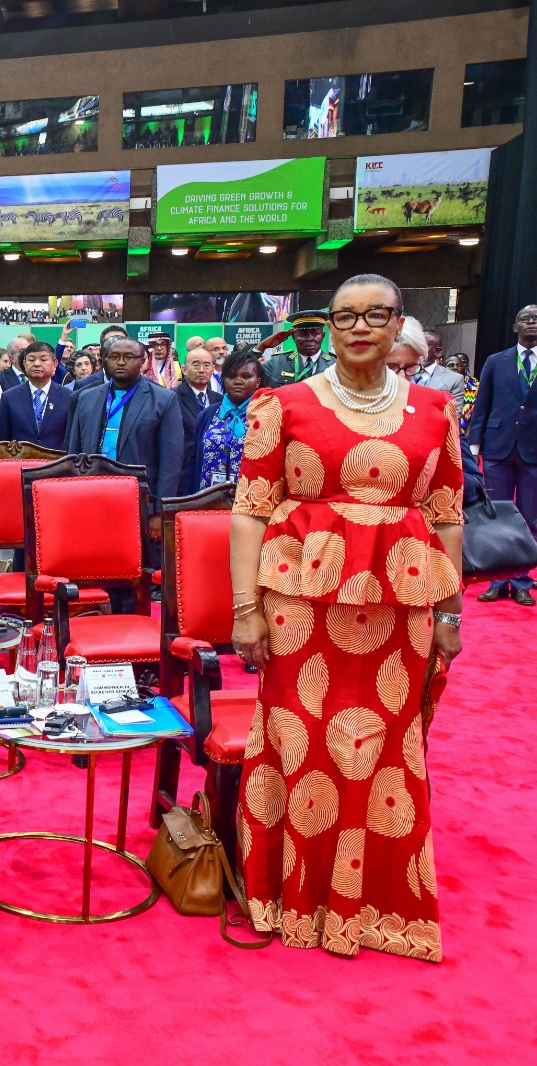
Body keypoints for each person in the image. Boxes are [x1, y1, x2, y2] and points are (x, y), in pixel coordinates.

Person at [230, 273, 462, 962]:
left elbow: (447, 518)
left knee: (390, 749)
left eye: (376, 315)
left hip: (402, 605)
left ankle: (372, 907)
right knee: (299, 743)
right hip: (301, 606)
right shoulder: (285, 404)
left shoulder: (434, 410)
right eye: (345, 316)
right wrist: (247, 610)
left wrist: (451, 614)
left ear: (399, 325)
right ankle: (292, 899)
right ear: (329, 326)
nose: (360, 327)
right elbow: (247, 511)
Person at [64, 335, 184, 561]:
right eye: (114, 357)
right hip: (90, 497)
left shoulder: (163, 400)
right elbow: (73, 451)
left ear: (143, 361)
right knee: (91, 563)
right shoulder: (85, 398)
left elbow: (171, 461)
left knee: (133, 569)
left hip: (138, 501)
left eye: (129, 357)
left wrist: (159, 511)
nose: (120, 362)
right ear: (104, 361)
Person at [468, 303, 537, 606]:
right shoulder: (496, 361)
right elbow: (482, 404)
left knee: (529, 516)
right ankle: (496, 579)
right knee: (493, 513)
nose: (531, 322)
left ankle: (522, 580)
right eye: (525, 318)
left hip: (533, 450)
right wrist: (473, 444)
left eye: (536, 318)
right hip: (497, 447)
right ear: (515, 327)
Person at [184, 346, 262, 494]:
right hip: (206, 499)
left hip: (251, 500)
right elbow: (193, 462)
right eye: (232, 376)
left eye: (246, 377)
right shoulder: (208, 414)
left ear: (257, 381)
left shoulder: (266, 415)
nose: (238, 381)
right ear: (223, 379)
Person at [0, 341, 72, 450]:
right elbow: (2, 441)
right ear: (24, 363)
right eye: (31, 360)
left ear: (55, 364)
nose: (36, 364)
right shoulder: (9, 397)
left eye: (43, 359)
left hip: (57, 463)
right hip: (20, 463)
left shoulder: (68, 397)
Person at [175, 343, 223, 477]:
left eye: (207, 365)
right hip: (183, 473)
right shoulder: (172, 398)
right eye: (195, 365)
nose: (202, 370)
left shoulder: (220, 400)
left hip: (213, 471)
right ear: (184, 369)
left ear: (213, 369)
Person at [397, 318, 466, 408]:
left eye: (424, 346)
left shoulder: (454, 380)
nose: (419, 350)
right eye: (417, 346)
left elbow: (453, 418)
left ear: (437, 351)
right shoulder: (400, 372)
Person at [258, 308, 334, 387]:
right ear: (294, 337)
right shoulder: (277, 363)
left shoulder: (335, 365)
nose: (310, 339)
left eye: (315, 334)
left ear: (323, 336)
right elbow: (248, 373)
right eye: (303, 334)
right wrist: (261, 347)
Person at [445, 352, 476, 432]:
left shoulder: (473, 384)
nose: (455, 367)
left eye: (460, 365)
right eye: (451, 365)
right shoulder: (438, 384)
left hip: (466, 430)